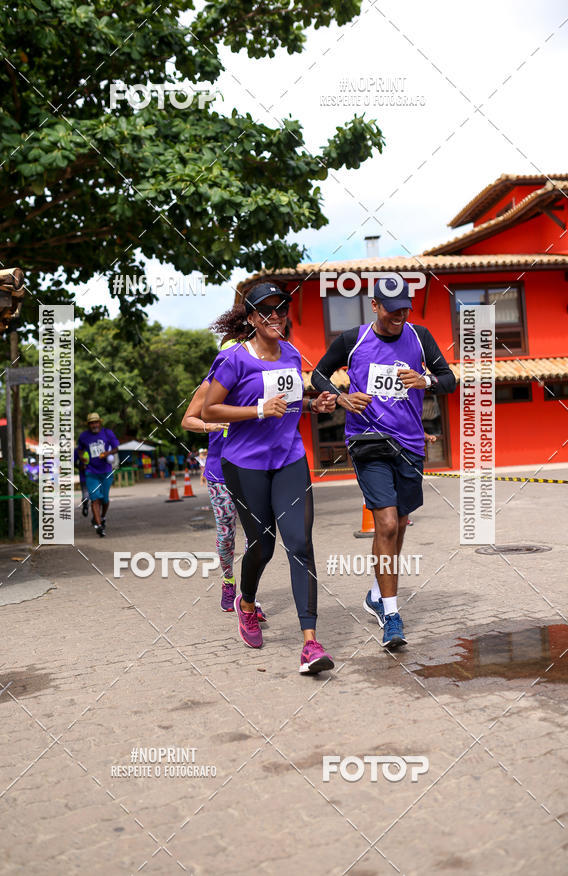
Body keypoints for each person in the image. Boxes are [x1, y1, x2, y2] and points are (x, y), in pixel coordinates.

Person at [312, 277, 456, 649]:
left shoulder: (419, 336)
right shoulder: (351, 340)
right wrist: (342, 398)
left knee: (400, 524)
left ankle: (377, 592)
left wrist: (424, 380)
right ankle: (391, 615)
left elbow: (449, 380)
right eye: (393, 309)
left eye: (405, 307)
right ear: (375, 306)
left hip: (409, 445)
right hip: (368, 443)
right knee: (387, 522)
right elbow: (317, 374)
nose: (400, 315)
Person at [202, 282, 337, 675]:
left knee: (300, 543)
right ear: (251, 318)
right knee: (262, 545)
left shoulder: (292, 355)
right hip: (244, 464)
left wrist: (315, 405)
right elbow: (210, 411)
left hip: (290, 460)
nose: (274, 316)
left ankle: (310, 644)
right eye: (265, 310)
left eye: (280, 309)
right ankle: (246, 603)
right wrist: (259, 410)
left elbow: (291, 405)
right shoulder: (235, 361)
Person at [181, 352, 266, 623]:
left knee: (256, 536)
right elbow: (187, 420)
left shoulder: (256, 385)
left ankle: (248, 595)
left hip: (252, 470)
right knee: (226, 532)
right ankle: (228, 581)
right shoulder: (211, 388)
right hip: (219, 473)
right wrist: (209, 425)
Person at [77, 412, 119, 538]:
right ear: (88, 425)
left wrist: (107, 453)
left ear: (100, 422)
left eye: (96, 422)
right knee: (95, 499)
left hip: (106, 471)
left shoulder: (107, 433)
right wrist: (82, 459)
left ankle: (102, 517)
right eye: (91, 423)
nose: (94, 425)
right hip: (91, 472)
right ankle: (99, 526)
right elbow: (80, 450)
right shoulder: (84, 436)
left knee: (105, 499)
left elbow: (116, 448)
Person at [73, 447, 89, 517]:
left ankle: (86, 505)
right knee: (88, 494)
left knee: (86, 493)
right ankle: (85, 505)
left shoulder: (78, 449)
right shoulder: (78, 450)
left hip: (93, 475)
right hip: (87, 476)